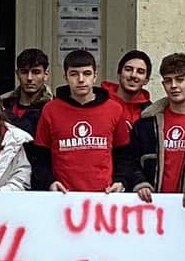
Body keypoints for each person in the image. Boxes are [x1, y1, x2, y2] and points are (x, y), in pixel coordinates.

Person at [33, 49, 135, 194]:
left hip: (104, 196)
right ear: (66, 77)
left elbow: (124, 154)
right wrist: (49, 182)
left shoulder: (114, 109)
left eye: (87, 73)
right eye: (74, 74)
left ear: (95, 76)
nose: (81, 79)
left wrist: (121, 181)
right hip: (63, 196)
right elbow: (41, 156)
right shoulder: (50, 110)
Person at [128, 53, 185, 209]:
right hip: (152, 208)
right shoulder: (146, 124)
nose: (174, 86)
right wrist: (140, 182)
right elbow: (130, 161)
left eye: (180, 79)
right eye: (168, 80)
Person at [4, 47, 55, 189]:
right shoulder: (2, 106)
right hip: (8, 182)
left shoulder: (54, 108)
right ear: (17, 74)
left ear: (46, 75)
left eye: (36, 72)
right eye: (24, 72)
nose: (30, 78)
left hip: (44, 182)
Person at [107, 49, 153, 124]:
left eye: (140, 72)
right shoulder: (101, 102)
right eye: (128, 69)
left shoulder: (151, 112)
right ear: (119, 74)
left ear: (146, 80)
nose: (133, 75)